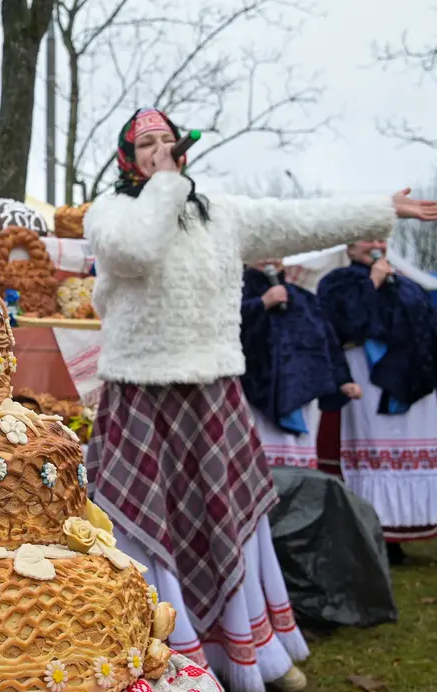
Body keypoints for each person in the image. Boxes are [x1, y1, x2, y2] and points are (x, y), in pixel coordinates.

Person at [83, 107, 437, 692]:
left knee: (231, 519)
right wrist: (167, 184)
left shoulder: (221, 213)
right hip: (141, 393)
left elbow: (298, 220)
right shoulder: (112, 211)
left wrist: (381, 209)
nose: (158, 149)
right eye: (146, 143)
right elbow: (138, 250)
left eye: (166, 141)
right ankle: (151, 652)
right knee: (144, 522)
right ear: (128, 155)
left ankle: (251, 655)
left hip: (214, 388)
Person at [317, 240, 437, 562]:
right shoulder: (337, 282)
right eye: (367, 239)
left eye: (379, 239)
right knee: (370, 455)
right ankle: (374, 537)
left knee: (412, 456)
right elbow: (341, 326)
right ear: (351, 246)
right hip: (365, 378)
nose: (375, 245)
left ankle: (405, 530)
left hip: (412, 384)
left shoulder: (408, 284)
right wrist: (372, 283)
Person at [240, 260, 361, 469]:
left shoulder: (303, 298)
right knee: (259, 458)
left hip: (301, 389)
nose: (269, 258)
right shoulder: (236, 293)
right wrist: (260, 304)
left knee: (297, 460)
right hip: (253, 393)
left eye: (275, 252)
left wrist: (342, 379)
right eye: (262, 252)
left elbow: (327, 341)